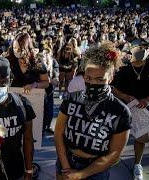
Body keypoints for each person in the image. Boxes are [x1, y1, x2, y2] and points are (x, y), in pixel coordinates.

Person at [54, 43, 132, 180]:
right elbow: (59, 132)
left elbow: (114, 153)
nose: (93, 84)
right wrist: (66, 167)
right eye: (89, 78)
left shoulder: (121, 111)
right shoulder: (72, 98)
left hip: (96, 170)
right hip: (66, 159)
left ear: (111, 78)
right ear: (84, 75)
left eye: (100, 79)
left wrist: (80, 175)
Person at [112, 41, 149, 180]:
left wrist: (147, 99)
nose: (137, 64)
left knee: (142, 137)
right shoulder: (125, 70)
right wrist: (127, 97)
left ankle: (137, 165)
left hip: (146, 108)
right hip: (126, 107)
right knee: (120, 135)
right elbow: (113, 89)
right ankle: (113, 157)